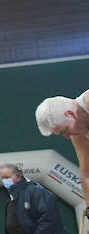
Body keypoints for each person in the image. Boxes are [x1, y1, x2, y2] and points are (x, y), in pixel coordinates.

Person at [35, 93, 89, 226]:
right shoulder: (78, 131)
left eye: (65, 130)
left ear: (70, 114)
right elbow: (86, 174)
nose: (66, 136)